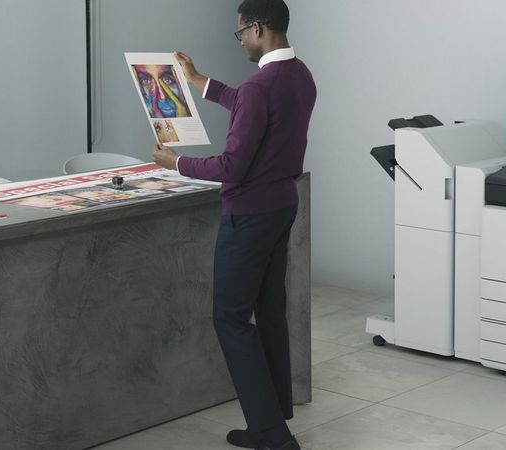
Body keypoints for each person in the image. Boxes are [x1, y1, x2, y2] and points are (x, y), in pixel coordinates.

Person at [151, 1, 316, 449]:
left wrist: (175, 162)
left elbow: (233, 166)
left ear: (258, 28)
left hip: (249, 215)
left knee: (229, 317)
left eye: (240, 32)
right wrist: (199, 82)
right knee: (269, 312)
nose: (240, 40)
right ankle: (275, 415)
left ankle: (272, 435)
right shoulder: (299, 75)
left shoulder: (260, 87)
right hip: (283, 205)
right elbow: (250, 104)